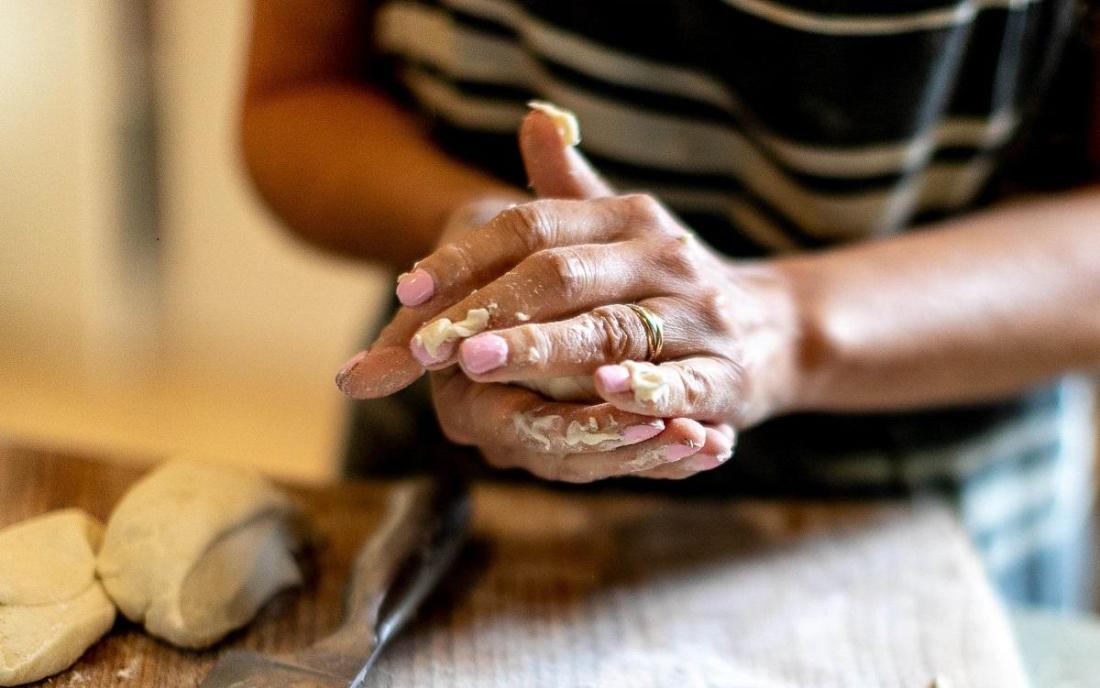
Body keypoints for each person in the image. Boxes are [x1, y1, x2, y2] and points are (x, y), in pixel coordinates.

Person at [241, 0, 1100, 607]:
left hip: (910, 525)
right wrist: (490, 241)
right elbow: (295, 93)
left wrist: (782, 330)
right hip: (453, 505)